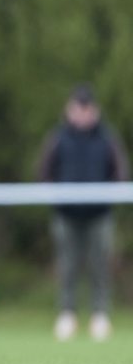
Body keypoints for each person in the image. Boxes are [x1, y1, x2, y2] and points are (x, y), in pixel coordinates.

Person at [36, 83, 128, 342]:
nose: (83, 113)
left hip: (99, 214)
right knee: (67, 266)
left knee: (100, 265)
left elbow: (120, 171)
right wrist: (55, 199)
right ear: (70, 109)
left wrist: (111, 197)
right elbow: (44, 172)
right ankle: (67, 315)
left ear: (94, 110)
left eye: (87, 108)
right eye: (79, 108)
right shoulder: (58, 138)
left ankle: (100, 316)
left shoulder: (107, 137)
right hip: (66, 215)